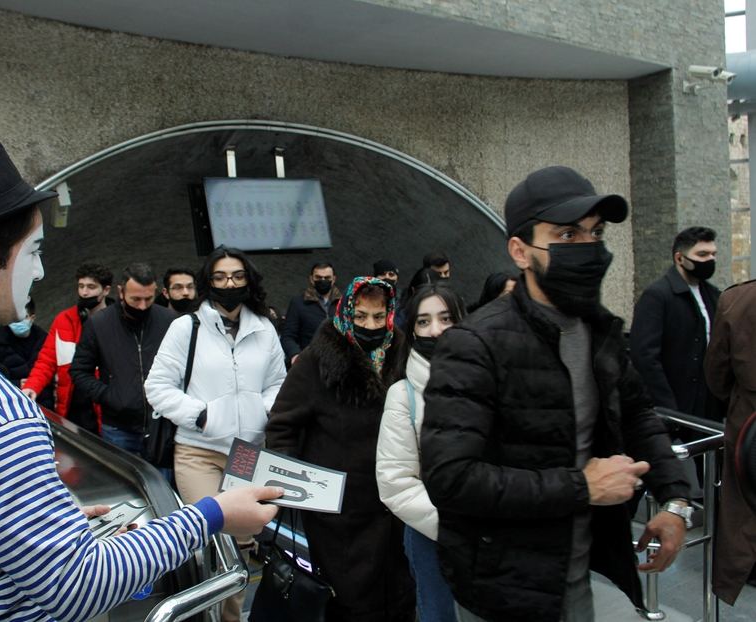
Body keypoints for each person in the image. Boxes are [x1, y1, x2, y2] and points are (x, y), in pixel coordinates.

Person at [0, 137, 282, 622]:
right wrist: (213, 514)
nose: (41, 272)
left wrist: (46, 530)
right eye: (35, 251)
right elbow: (77, 586)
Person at [421, 165, 692, 622]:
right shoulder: (474, 344)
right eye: (566, 236)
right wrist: (583, 485)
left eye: (595, 233)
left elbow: (637, 413)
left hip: (588, 565)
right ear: (520, 251)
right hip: (505, 585)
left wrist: (676, 500)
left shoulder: (598, 329)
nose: (587, 248)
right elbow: (451, 478)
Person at [145, 246, 287, 622]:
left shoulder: (263, 328)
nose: (230, 284)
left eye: (237, 277)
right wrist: (202, 415)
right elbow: (157, 386)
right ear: (209, 282)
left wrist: (263, 409)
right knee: (212, 537)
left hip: (247, 453)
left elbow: (277, 382)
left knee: (239, 547)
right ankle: (203, 615)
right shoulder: (186, 327)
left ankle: (229, 617)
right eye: (221, 277)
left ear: (248, 280)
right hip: (199, 451)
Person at [267, 276, 416, 622]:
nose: (370, 326)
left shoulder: (401, 353)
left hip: (397, 504)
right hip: (339, 512)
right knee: (350, 601)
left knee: (400, 595)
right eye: (361, 316)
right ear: (346, 312)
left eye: (379, 318)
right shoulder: (317, 361)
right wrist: (295, 488)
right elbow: (282, 424)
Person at [377, 281, 465, 622]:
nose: (436, 329)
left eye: (446, 318)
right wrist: (453, 529)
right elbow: (396, 481)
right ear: (411, 330)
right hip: (432, 532)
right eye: (424, 321)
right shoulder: (403, 394)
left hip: (494, 528)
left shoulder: (493, 378)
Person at [71, 263, 175, 455]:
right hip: (118, 428)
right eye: (135, 299)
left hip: (161, 424)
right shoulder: (99, 323)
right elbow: (79, 371)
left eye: (148, 299)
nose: (142, 306)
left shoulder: (169, 321)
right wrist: (109, 396)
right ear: (121, 292)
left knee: (163, 483)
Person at [631, 226, 723, 423]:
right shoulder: (657, 296)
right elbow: (645, 357)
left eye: (713, 254)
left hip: (708, 407)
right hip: (675, 408)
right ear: (680, 258)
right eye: (702, 254)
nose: (710, 260)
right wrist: (667, 407)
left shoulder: (714, 295)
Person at [705, 279, 756, 604]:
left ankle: (743, 570)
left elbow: (716, 372)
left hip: (748, 425)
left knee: (743, 508)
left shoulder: (738, 299)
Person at [23, 262, 113, 433]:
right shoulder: (64, 319)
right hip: (70, 409)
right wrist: (32, 386)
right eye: (81, 286)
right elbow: (46, 360)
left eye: (91, 287)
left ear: (106, 290)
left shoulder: (116, 321)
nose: (84, 292)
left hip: (105, 411)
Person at [0, 297, 53, 408]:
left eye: (24, 317)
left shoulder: (45, 339)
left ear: (32, 318)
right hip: (13, 402)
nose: (18, 321)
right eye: (15, 317)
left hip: (42, 402)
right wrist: (16, 384)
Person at [281, 261, 341, 366]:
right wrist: (295, 354)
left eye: (327, 278)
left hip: (339, 363)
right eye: (318, 277)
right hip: (309, 363)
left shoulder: (344, 303)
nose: (323, 280)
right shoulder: (298, 303)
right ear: (311, 279)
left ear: (334, 279)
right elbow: (287, 336)